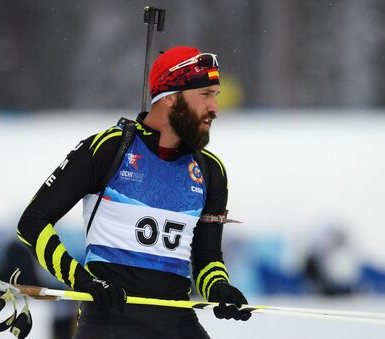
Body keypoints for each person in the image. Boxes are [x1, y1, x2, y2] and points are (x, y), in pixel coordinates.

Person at [16, 46, 251, 339]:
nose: (215, 108)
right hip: (107, 322)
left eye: (215, 95)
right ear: (170, 99)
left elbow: (206, 258)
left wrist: (218, 288)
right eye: (205, 95)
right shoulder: (110, 148)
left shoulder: (210, 170)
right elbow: (32, 222)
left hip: (176, 323)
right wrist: (82, 280)